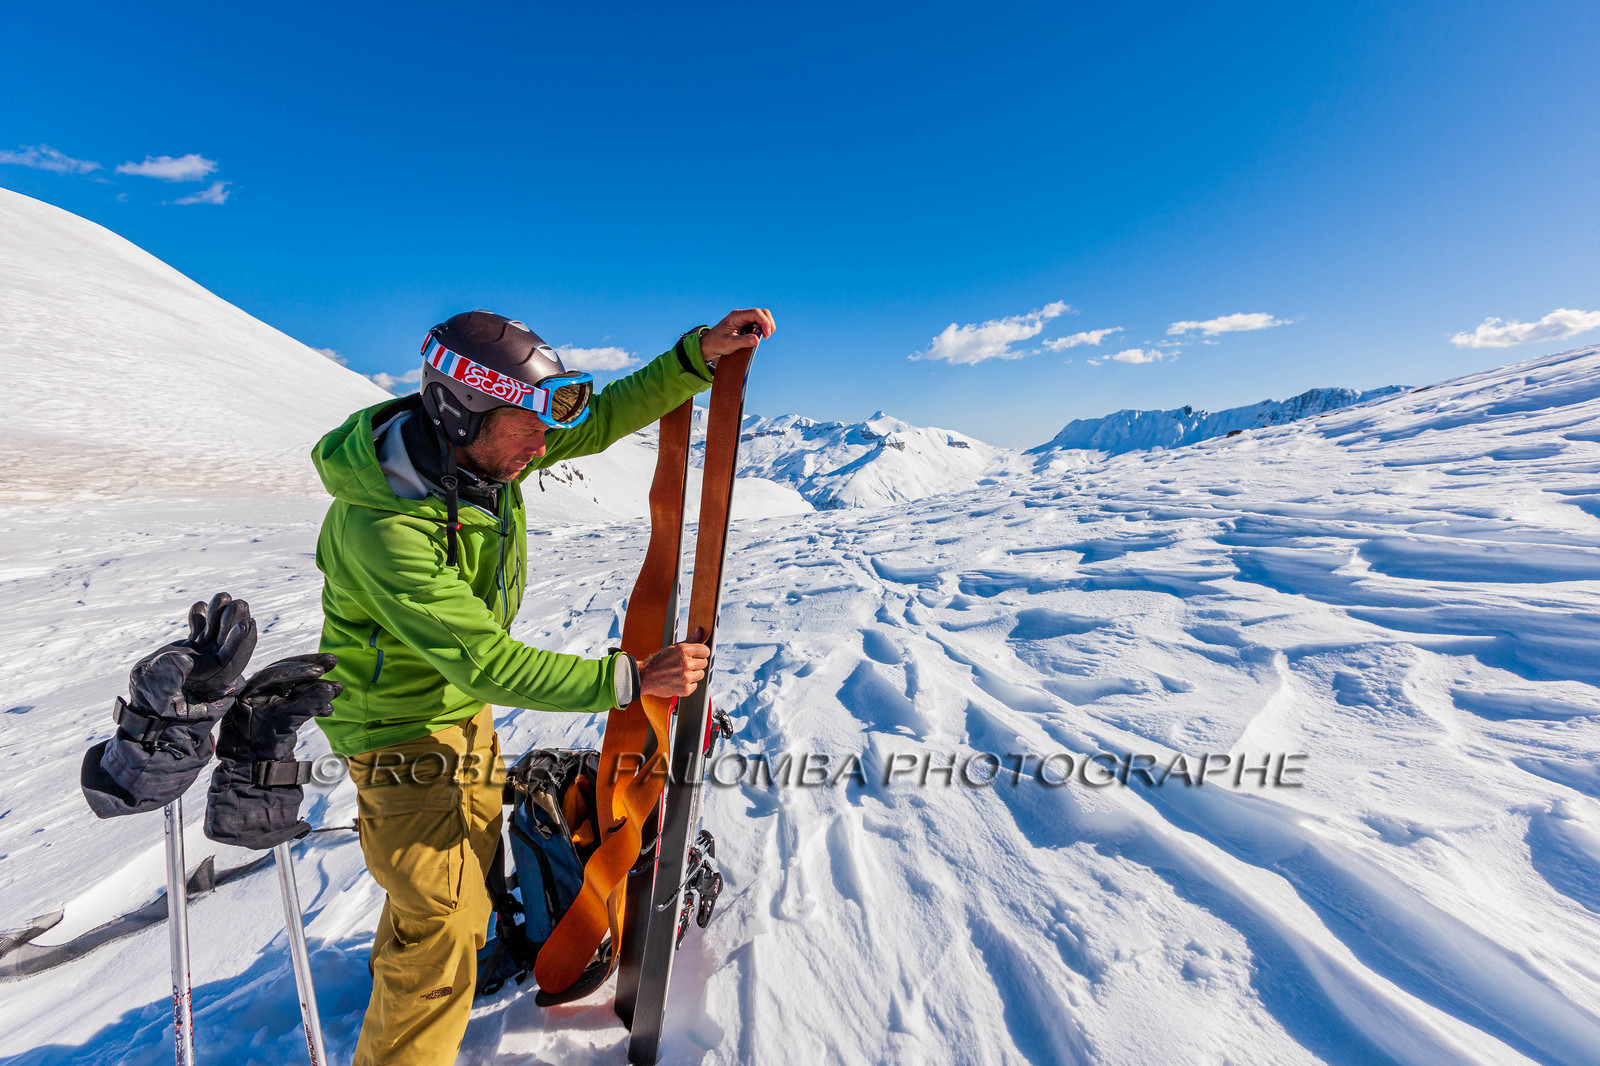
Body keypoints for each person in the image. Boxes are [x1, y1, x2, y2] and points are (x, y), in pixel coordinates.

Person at [309, 307, 774, 1066]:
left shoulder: (480, 455)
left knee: (455, 878)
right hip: (400, 729)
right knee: (447, 928)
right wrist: (629, 679)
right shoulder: (385, 524)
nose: (543, 444)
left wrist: (696, 356)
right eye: (525, 427)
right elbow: (485, 660)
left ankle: (415, 965)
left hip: (457, 713)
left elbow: (605, 416)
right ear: (461, 414)